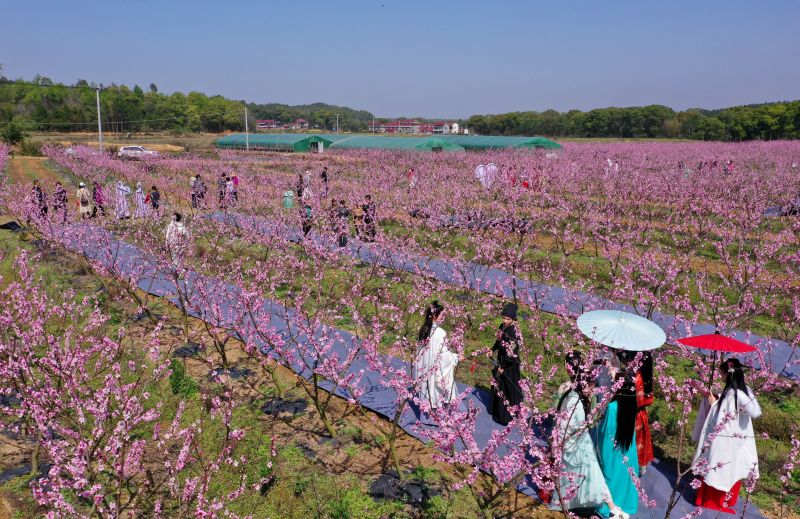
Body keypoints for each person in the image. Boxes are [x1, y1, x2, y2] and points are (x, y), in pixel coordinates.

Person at [550, 351, 624, 518]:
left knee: (588, 474)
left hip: (578, 441)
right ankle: (611, 508)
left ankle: (610, 507)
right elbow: (564, 425)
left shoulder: (574, 394)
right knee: (589, 474)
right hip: (573, 442)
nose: (593, 390)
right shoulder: (573, 401)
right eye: (591, 387)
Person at [691, 358, 761, 514]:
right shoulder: (744, 391)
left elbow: (722, 419)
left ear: (727, 373)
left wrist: (713, 403)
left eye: (721, 373)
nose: (720, 376)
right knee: (732, 469)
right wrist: (712, 396)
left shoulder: (731, 393)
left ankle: (712, 501)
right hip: (737, 440)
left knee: (718, 469)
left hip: (725, 440)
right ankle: (727, 500)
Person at [596, 372, 639, 518]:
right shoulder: (633, 406)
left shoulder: (613, 407)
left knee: (611, 477)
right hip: (628, 450)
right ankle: (625, 506)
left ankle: (611, 507)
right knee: (626, 478)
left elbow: (606, 433)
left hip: (614, 451)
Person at [413, 301, 458, 411]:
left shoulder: (423, 329)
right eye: (442, 315)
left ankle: (425, 409)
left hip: (425, 367)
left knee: (427, 389)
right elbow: (443, 355)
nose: (443, 318)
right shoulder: (440, 333)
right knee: (437, 389)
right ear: (434, 315)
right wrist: (456, 357)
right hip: (435, 368)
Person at [616, 350, 655, 473]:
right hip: (641, 414)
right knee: (639, 444)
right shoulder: (647, 377)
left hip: (630, 413)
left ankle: (629, 468)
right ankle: (639, 468)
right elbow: (649, 399)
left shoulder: (635, 377)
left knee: (631, 443)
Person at [489, 303, 523, 426]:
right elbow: (498, 341)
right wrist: (492, 350)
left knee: (507, 387)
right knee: (497, 383)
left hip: (510, 363)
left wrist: (503, 367)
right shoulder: (501, 326)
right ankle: (495, 409)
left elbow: (512, 352)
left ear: (513, 319)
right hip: (501, 358)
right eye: (504, 318)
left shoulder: (514, 332)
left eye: (508, 319)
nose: (505, 320)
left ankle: (505, 415)